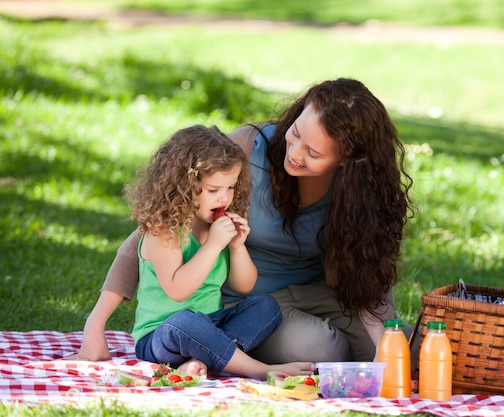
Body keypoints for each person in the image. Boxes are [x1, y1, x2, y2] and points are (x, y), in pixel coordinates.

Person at [68, 78, 417, 368]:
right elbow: (157, 228)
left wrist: (383, 340)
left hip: (324, 295)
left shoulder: (361, 192)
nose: (294, 153)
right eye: (294, 133)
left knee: (409, 352)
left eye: (313, 153)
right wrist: (95, 323)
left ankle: (216, 353)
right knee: (323, 351)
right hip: (248, 302)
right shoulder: (247, 150)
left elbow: (367, 266)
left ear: (348, 162)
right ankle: (227, 352)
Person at [107, 124, 314, 378]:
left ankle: (203, 358)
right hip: (162, 334)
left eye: (231, 187)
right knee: (185, 322)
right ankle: (259, 370)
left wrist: (237, 248)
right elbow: (178, 291)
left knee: (266, 306)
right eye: (213, 190)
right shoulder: (165, 230)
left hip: (210, 326)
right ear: (183, 187)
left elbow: (244, 286)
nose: (224, 198)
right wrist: (213, 245)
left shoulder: (214, 226)